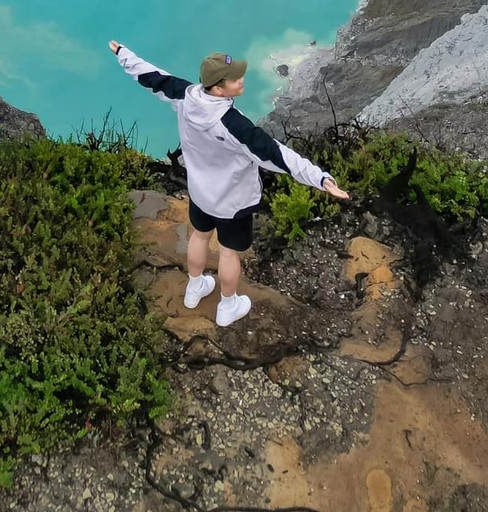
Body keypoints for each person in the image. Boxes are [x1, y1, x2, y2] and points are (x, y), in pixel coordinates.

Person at [109, 39, 349, 327]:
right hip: (232, 203)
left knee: (198, 236)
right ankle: (227, 305)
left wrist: (123, 54)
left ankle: (194, 288)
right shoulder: (233, 124)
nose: (241, 80)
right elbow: (277, 155)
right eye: (235, 78)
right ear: (219, 88)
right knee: (227, 252)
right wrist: (321, 178)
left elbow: (151, 77)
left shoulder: (186, 96)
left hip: (199, 193)